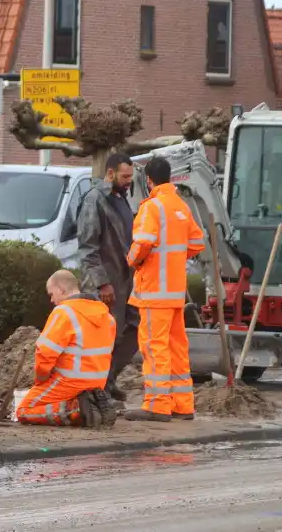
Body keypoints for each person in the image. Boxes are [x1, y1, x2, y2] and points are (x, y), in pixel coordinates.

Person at [125, 157, 205, 422]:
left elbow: (143, 243)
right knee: (177, 348)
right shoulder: (180, 206)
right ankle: (183, 405)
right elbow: (196, 243)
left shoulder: (152, 208)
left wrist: (132, 260)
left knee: (153, 346)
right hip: (174, 293)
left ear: (148, 180)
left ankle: (157, 404)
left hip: (153, 293)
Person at [15, 270, 118, 428]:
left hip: (68, 382)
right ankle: (90, 404)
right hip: (97, 384)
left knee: (23, 410)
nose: (51, 300)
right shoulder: (107, 316)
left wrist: (40, 380)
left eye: (51, 294)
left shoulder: (64, 312)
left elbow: (45, 353)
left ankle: (77, 409)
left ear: (60, 289)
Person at [77, 152, 139, 403]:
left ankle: (108, 379)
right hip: (106, 282)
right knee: (106, 336)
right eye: (125, 176)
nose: (128, 181)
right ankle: (98, 388)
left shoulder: (121, 199)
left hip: (126, 281)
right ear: (110, 173)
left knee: (134, 329)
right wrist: (102, 282)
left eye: (130, 177)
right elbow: (87, 246)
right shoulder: (95, 200)